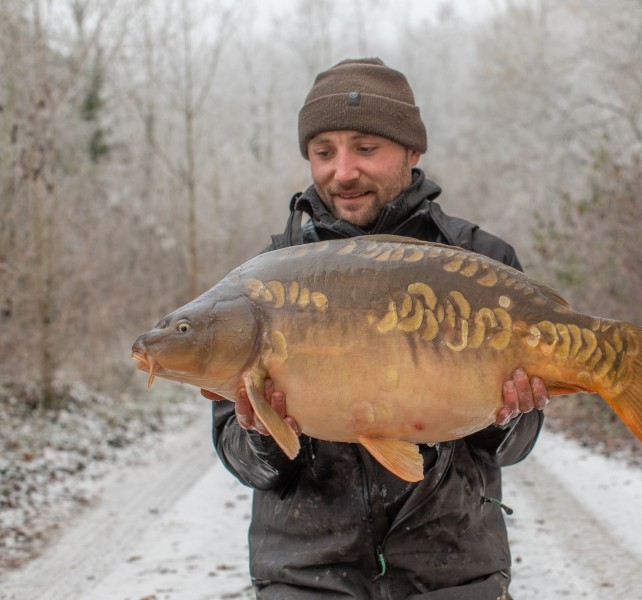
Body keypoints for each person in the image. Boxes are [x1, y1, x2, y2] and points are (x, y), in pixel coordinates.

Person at [208, 57, 549, 599]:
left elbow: (513, 447)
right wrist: (261, 429)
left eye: (365, 149)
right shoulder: (266, 281)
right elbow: (245, 464)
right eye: (324, 152)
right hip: (306, 579)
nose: (342, 172)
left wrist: (507, 415)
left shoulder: (480, 262)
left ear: (413, 152)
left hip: (453, 576)